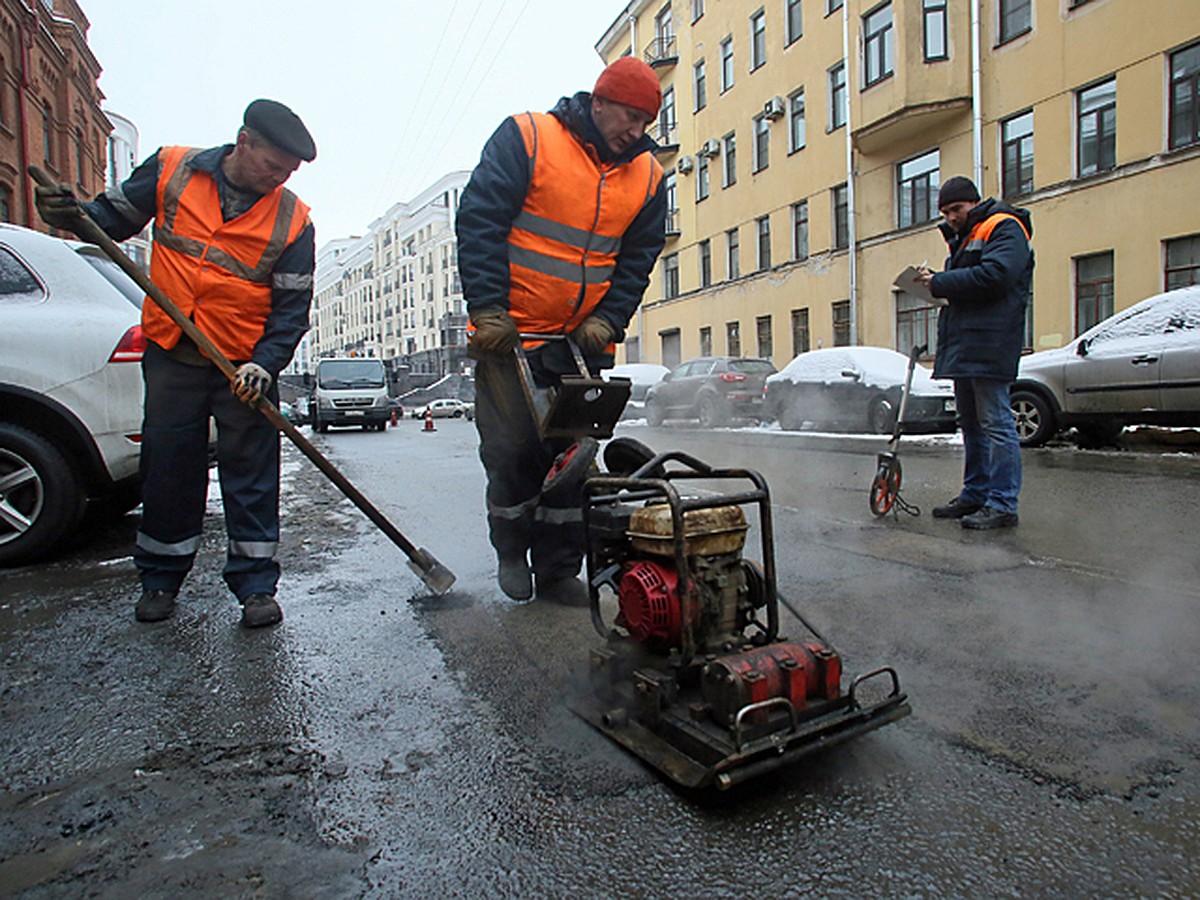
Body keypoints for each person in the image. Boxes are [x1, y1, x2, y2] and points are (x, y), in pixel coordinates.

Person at [35, 99, 317, 626]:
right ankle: (161, 580)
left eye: (288, 172)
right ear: (244, 141)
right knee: (168, 469)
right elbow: (108, 222)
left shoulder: (292, 219)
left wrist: (266, 364)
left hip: (242, 366)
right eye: (272, 165)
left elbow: (291, 308)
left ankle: (256, 588)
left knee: (252, 475)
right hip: (173, 355)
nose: (278, 179)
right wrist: (71, 215)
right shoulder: (173, 169)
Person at [455, 57, 667, 604]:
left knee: (572, 460)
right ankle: (510, 549)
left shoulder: (646, 176)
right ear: (597, 103)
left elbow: (637, 260)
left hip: (578, 343)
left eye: (646, 121)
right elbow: (480, 220)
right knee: (513, 453)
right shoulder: (528, 138)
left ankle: (556, 568)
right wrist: (488, 309)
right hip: (511, 336)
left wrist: (608, 320)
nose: (636, 131)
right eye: (629, 115)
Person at [916, 176, 1033, 530]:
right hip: (968, 344)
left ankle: (1002, 503)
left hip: (990, 343)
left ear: (973, 203)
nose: (950, 217)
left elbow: (997, 275)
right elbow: (968, 286)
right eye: (945, 211)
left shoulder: (1004, 226)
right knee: (971, 425)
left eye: (956, 209)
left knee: (997, 424)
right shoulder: (966, 237)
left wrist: (939, 282)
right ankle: (975, 495)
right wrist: (938, 284)